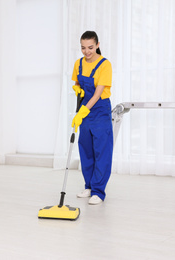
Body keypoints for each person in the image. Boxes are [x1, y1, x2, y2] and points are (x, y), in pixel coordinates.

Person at [71, 31, 113, 205]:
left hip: (100, 110)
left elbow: (97, 93)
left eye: (90, 47)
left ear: (97, 45)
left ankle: (98, 191)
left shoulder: (105, 65)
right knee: (86, 149)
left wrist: (82, 112)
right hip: (85, 109)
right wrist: (77, 89)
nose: (86, 51)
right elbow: (78, 83)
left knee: (101, 151)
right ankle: (88, 186)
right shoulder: (78, 63)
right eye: (83, 47)